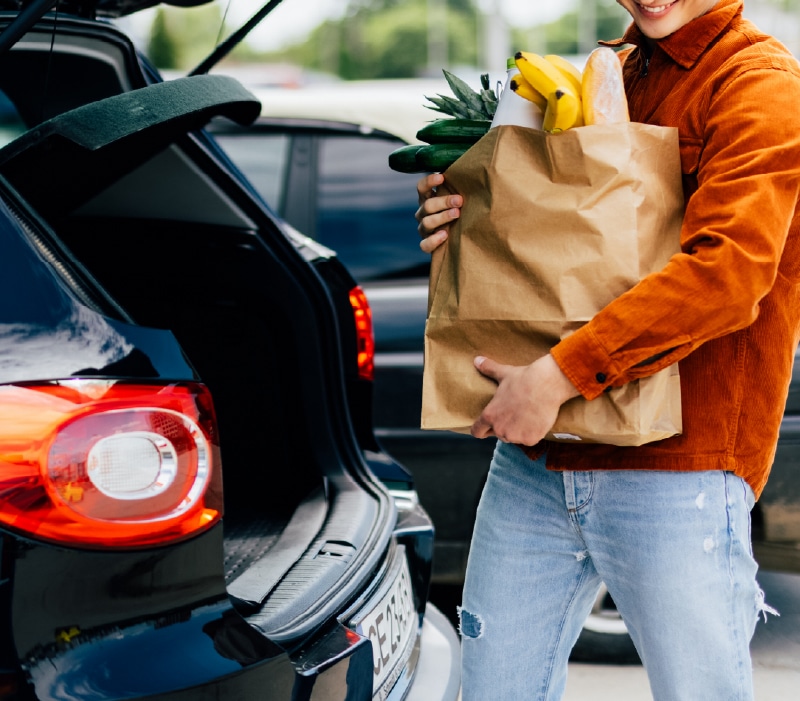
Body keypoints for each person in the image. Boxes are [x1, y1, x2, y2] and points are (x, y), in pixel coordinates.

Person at [415, 1, 800, 699]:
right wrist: (464, 216)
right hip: (539, 463)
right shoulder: (608, 71)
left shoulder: (758, 83)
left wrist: (556, 376)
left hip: (678, 469)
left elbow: (727, 276)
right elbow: (554, 243)